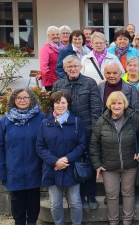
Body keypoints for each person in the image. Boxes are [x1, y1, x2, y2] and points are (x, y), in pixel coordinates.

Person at [52, 55, 102, 210]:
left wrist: (93, 131)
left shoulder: (90, 83)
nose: (73, 69)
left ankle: (91, 196)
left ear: (81, 67)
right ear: (64, 68)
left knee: (88, 164)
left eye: (75, 66)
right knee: (72, 164)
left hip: (86, 131)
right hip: (65, 133)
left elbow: (96, 109)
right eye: (69, 66)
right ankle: (78, 197)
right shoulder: (58, 84)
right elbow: (53, 109)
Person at [90, 91, 139, 225]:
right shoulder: (102, 121)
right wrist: (97, 164)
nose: (116, 106)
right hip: (109, 166)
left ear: (124, 104)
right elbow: (94, 144)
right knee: (111, 195)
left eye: (119, 103)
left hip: (129, 164)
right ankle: (113, 222)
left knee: (128, 193)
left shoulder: (133, 118)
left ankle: (127, 221)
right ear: (109, 105)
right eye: (113, 103)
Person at [0, 89, 46, 225]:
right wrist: (1, 171)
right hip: (13, 169)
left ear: (31, 99)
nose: (22, 100)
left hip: (35, 167)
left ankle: (32, 222)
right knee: (17, 200)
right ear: (13, 100)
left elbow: (47, 142)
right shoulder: (5, 121)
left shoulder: (41, 118)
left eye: (25, 98)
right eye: (18, 98)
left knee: (33, 198)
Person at [36, 91, 85, 225]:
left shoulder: (76, 122)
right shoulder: (45, 124)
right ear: (53, 104)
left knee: (75, 202)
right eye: (57, 103)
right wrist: (55, 161)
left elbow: (81, 145)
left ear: (68, 104)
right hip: (52, 168)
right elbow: (40, 147)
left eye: (63, 102)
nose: (60, 105)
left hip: (71, 167)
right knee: (55, 203)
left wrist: (66, 159)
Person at [40, 26, 61, 91]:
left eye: (57, 34)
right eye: (53, 34)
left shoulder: (61, 48)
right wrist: (55, 80)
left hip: (61, 80)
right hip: (51, 83)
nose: (55, 36)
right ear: (48, 36)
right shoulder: (45, 49)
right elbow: (44, 68)